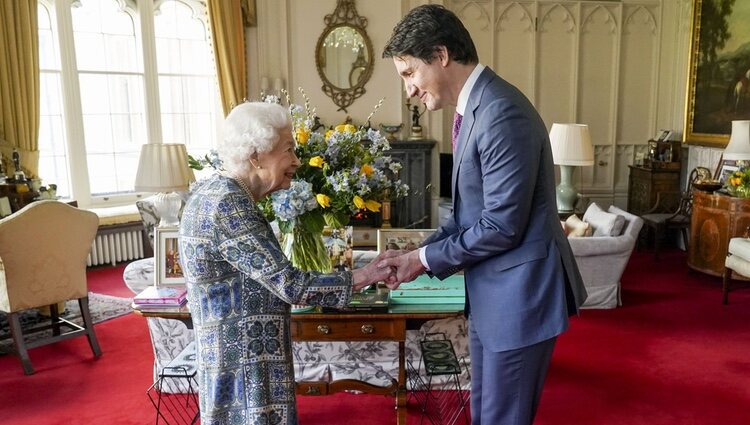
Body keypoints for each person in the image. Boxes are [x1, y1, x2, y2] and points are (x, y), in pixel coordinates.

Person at [380, 5, 588, 425]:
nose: (409, 91)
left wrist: (420, 261)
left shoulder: (500, 112)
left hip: (519, 296)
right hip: (495, 294)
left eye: (409, 74)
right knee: (487, 416)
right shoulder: (474, 109)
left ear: (440, 55)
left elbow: (500, 226)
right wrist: (413, 256)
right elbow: (467, 216)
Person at [178, 102, 394, 425]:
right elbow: (290, 284)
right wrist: (364, 275)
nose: (296, 161)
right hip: (246, 372)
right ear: (256, 155)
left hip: (235, 362)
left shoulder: (216, 192)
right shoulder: (229, 204)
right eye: (288, 150)